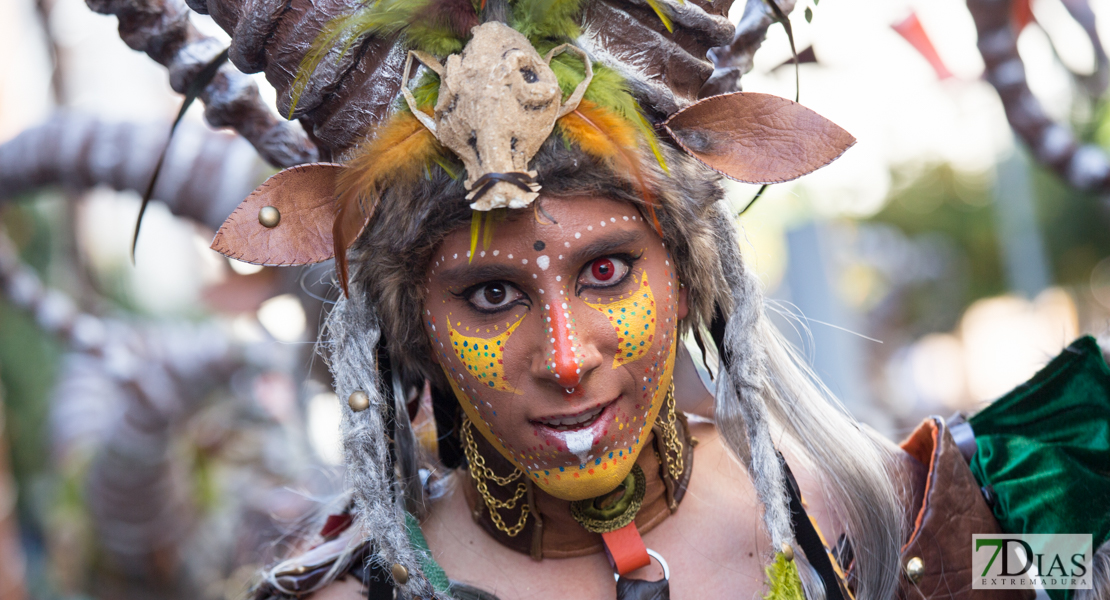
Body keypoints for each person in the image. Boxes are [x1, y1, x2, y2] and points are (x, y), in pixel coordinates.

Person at [196, 1, 1110, 599]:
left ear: (683, 274)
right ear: (415, 329)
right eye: (489, 293)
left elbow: (1053, 570)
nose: (565, 355)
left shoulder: (872, 514)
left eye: (606, 271)